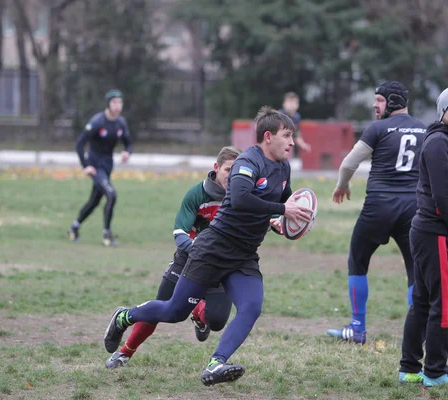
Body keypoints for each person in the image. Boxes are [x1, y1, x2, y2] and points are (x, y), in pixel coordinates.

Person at [103, 106, 312, 386]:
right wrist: (280, 209)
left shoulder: (283, 168)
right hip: (213, 248)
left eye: (292, 136)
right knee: (174, 311)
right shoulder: (248, 161)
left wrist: (280, 219)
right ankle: (125, 316)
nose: (291, 142)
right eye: (287, 135)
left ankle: (216, 363)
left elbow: (280, 205)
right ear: (267, 136)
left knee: (251, 307)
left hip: (244, 254)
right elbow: (239, 198)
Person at [105, 146, 240, 368]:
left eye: (237, 172)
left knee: (217, 320)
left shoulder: (240, 197)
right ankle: (124, 351)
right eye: (228, 170)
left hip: (218, 266)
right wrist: (199, 250)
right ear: (216, 168)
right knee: (161, 309)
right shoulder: (197, 195)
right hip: (188, 260)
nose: (232, 176)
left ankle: (198, 313)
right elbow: (179, 233)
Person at [327, 81, 426, 344]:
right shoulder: (425, 129)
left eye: (379, 100)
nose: (374, 105)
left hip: (379, 206)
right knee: (415, 269)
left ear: (392, 101)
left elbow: (348, 163)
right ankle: (417, 333)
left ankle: (357, 328)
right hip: (413, 209)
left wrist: (342, 186)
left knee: (357, 261)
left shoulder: (378, 128)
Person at [398, 86, 448, 388]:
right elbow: (444, 196)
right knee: (444, 304)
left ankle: (409, 368)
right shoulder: (439, 143)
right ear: (442, 111)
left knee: (423, 301)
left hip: (432, 232)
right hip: (438, 233)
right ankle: (435, 371)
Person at [67, 90, 132, 247]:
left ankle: (74, 227)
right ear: (108, 104)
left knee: (95, 201)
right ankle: (106, 235)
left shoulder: (120, 123)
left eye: (120, 102)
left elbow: (128, 143)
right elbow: (80, 143)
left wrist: (127, 152)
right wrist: (86, 165)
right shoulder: (97, 122)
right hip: (95, 167)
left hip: (107, 166)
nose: (117, 106)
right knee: (111, 194)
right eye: (114, 102)